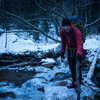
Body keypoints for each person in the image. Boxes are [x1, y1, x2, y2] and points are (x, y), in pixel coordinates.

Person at [60, 18, 83, 88]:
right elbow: (63, 43)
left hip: (77, 50)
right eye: (64, 26)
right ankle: (74, 82)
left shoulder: (76, 31)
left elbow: (80, 43)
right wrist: (62, 52)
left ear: (70, 25)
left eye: (67, 26)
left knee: (78, 67)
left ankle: (79, 81)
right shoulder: (62, 32)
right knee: (71, 67)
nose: (66, 28)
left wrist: (78, 53)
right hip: (69, 50)